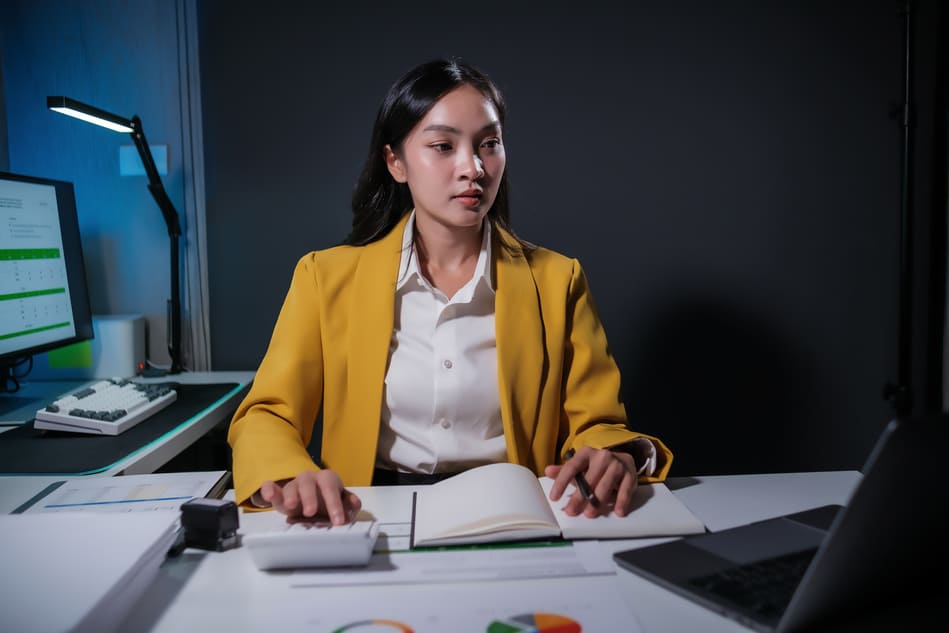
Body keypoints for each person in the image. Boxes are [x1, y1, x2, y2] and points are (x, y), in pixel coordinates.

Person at [227, 58, 673, 526]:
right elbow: (267, 415)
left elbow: (597, 423)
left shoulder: (557, 279)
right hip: (371, 511)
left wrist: (616, 455)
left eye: (489, 144)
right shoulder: (324, 277)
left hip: (517, 510)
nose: (473, 168)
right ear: (395, 162)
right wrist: (294, 474)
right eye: (443, 145)